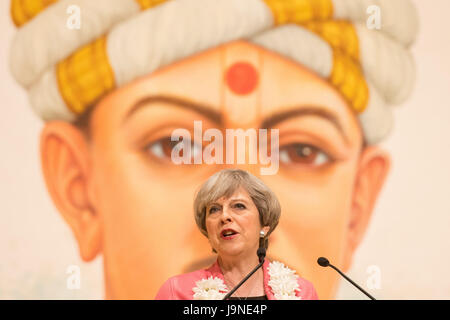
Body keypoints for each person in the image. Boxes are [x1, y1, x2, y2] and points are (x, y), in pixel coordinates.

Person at [8, 0, 418, 299]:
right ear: (78, 187)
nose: (233, 216)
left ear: (358, 205)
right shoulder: (174, 292)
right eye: (176, 144)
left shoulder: (303, 291)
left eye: (301, 151)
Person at [155, 169, 318, 300]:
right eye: (214, 209)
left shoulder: (302, 293)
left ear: (264, 225)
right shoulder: (176, 293)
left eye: (238, 206)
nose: (224, 216)